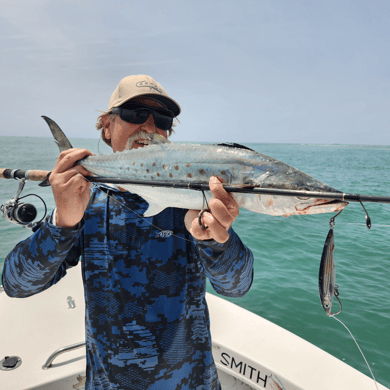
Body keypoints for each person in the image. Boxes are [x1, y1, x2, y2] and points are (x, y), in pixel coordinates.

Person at [2, 75, 254, 390]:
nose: (149, 126)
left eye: (161, 119)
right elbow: (16, 285)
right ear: (107, 127)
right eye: (135, 114)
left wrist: (219, 240)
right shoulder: (86, 202)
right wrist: (63, 223)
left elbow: (237, 286)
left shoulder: (191, 199)